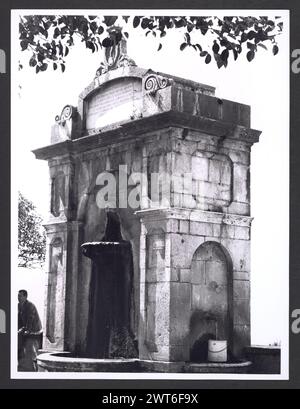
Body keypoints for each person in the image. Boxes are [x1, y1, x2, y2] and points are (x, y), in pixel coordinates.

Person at [18, 290, 42, 371]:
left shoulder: (30, 306)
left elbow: (30, 319)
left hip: (34, 330)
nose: (18, 298)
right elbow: (19, 319)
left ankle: (36, 368)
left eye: (20, 296)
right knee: (25, 350)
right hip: (26, 330)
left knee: (32, 350)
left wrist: (26, 329)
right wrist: (19, 329)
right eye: (18, 296)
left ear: (25, 297)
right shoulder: (19, 305)